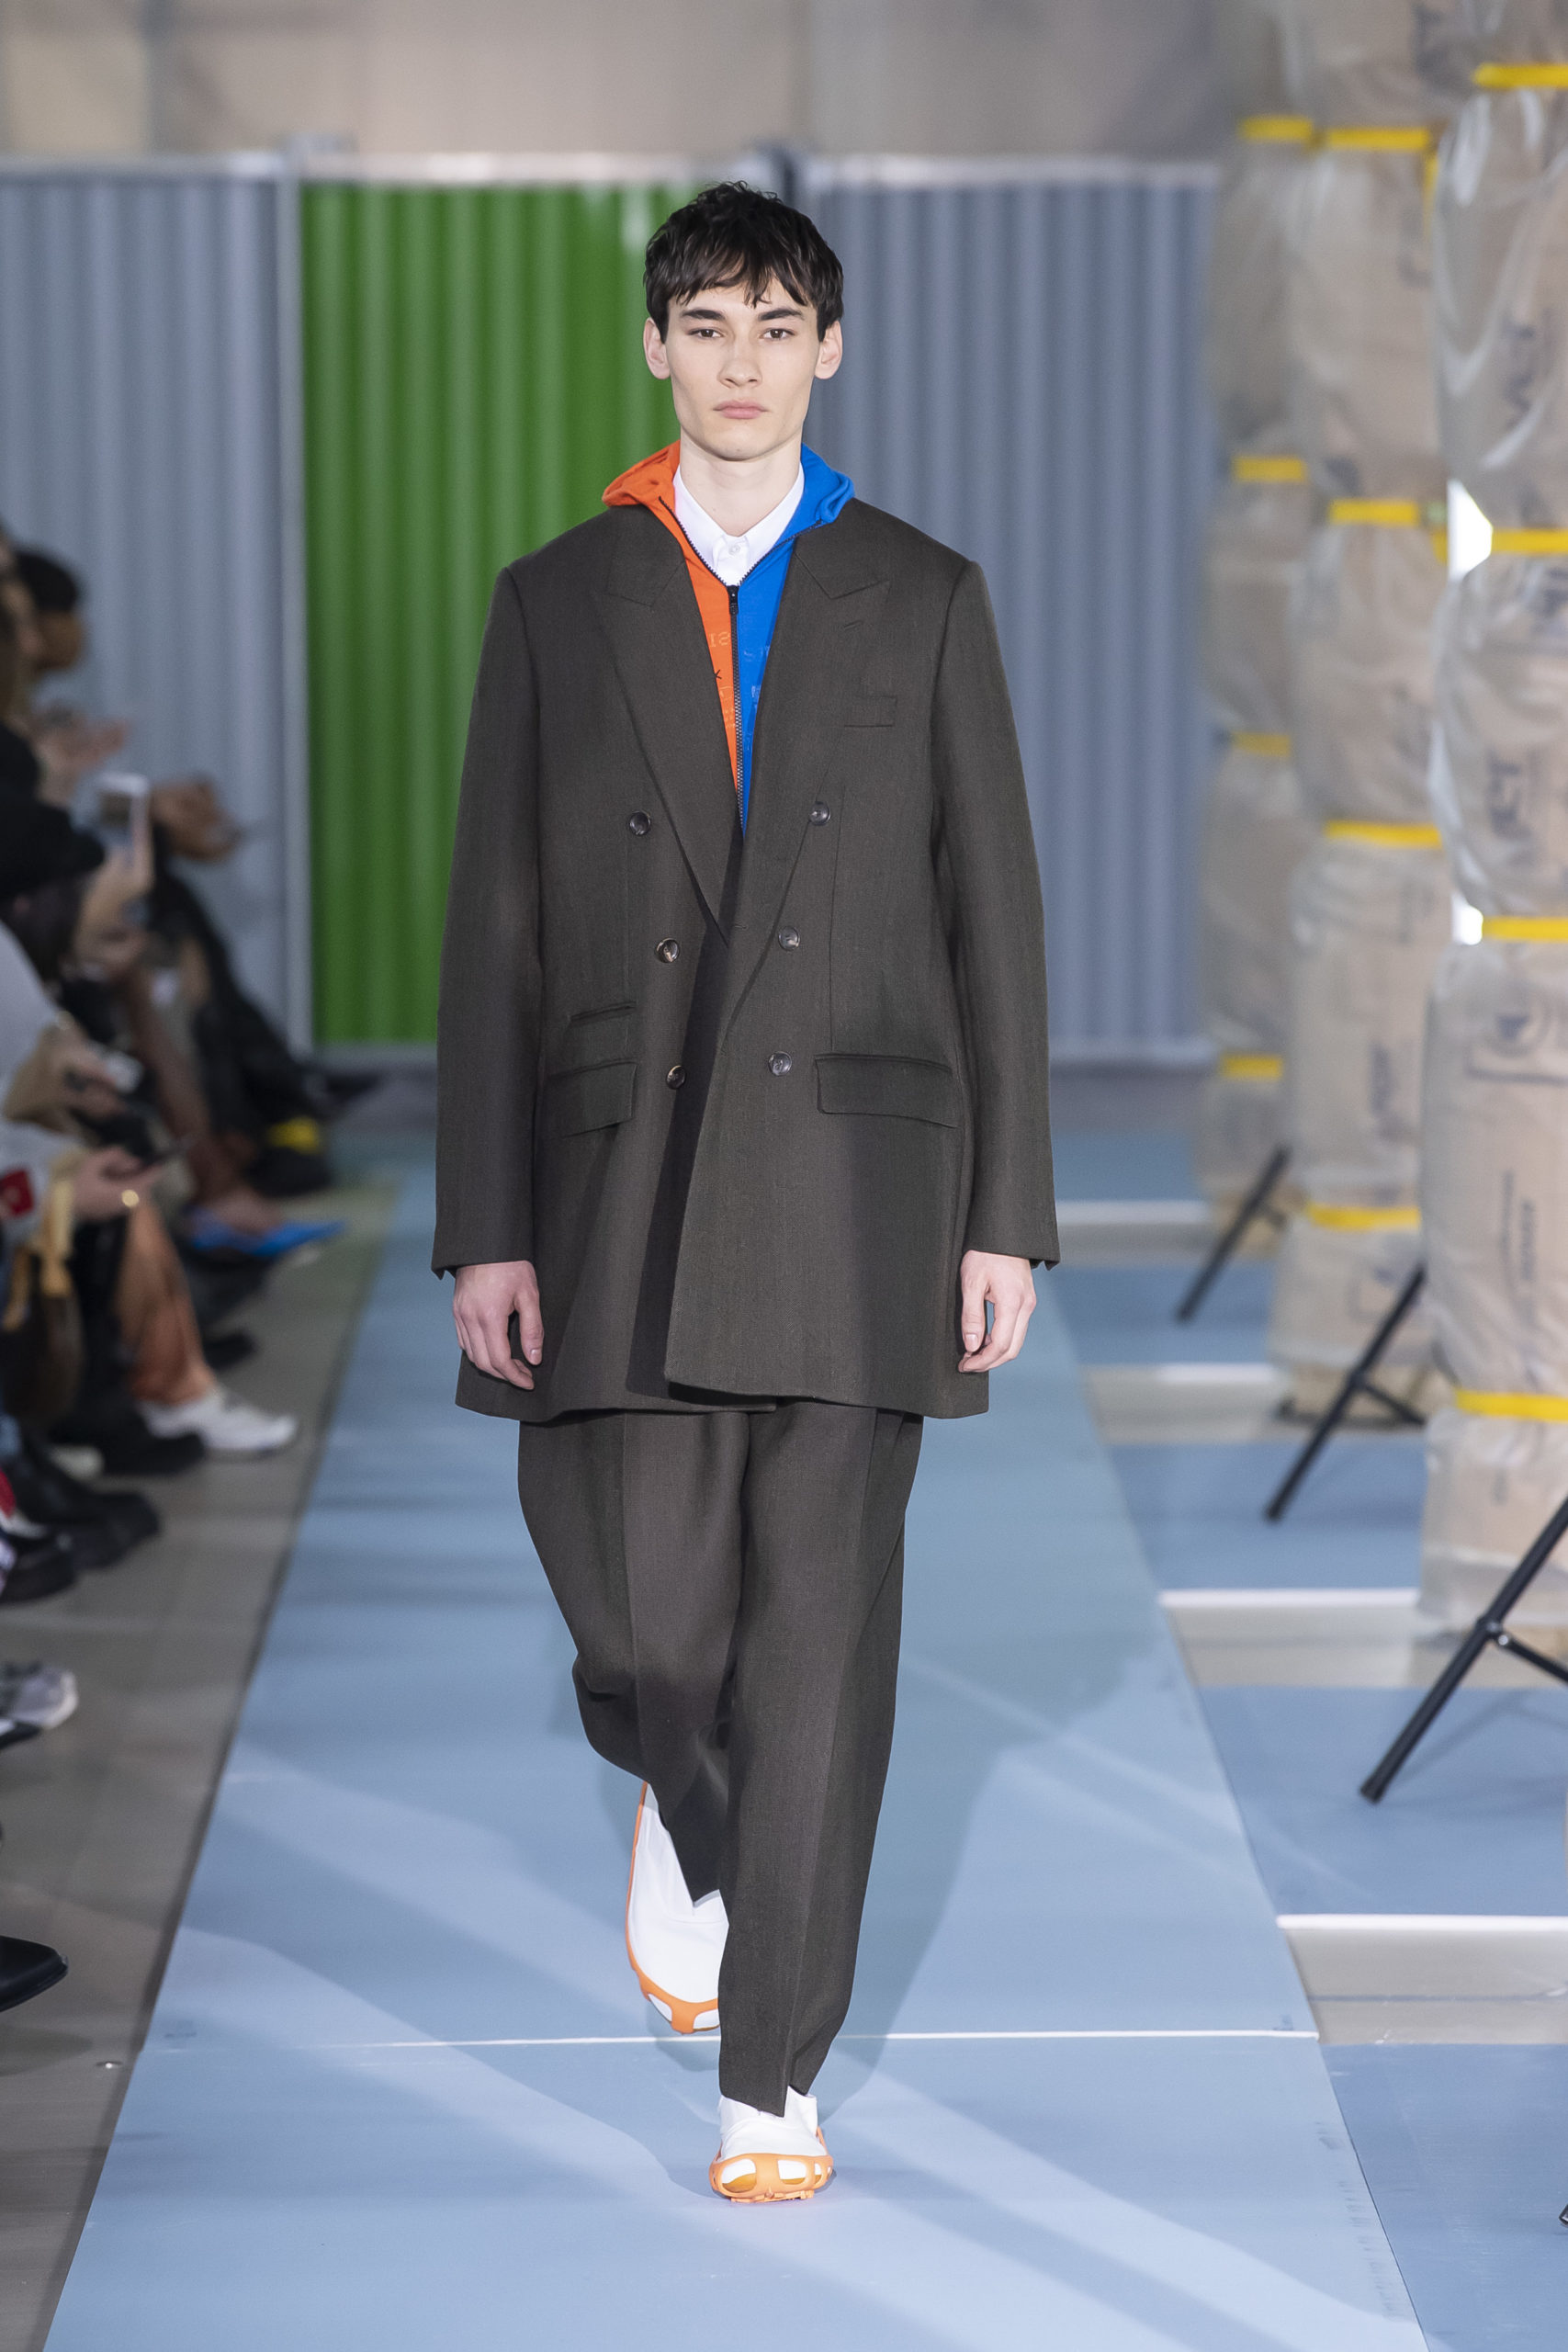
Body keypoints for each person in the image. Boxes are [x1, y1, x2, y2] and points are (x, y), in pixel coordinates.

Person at [434, 183, 1055, 2203]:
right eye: (704, 325)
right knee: (643, 1624)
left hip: (863, 1188)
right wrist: (484, 1221)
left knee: (818, 1653)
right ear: (653, 346)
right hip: (617, 1181)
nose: (740, 363)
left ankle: (770, 2074)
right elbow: (495, 927)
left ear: (829, 350)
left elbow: (991, 917)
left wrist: (1007, 1210)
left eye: (777, 327)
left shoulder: (921, 592)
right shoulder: (557, 598)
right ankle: (678, 1800)